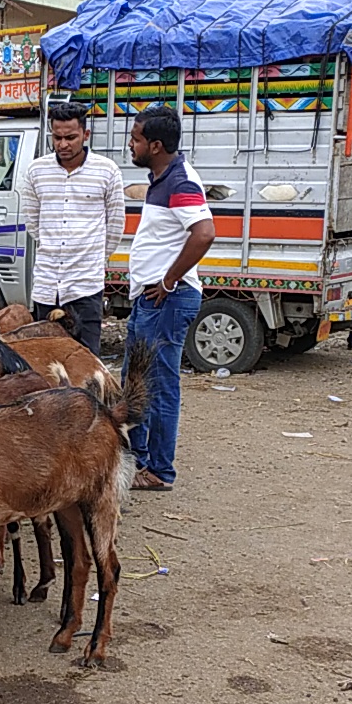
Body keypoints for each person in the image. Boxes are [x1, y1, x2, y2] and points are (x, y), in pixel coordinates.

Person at [122, 105, 212, 492]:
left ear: (155, 145)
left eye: (136, 138)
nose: (130, 143)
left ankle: (159, 469)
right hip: (152, 300)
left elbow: (204, 233)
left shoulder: (180, 183)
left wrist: (170, 281)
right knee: (138, 381)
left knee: (157, 386)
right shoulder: (163, 178)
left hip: (166, 302)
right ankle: (140, 461)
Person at [17, 100, 125, 354]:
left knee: (86, 361)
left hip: (85, 286)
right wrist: (54, 247)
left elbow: (115, 226)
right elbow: (33, 221)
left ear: (85, 135)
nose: (63, 144)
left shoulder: (107, 171)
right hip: (46, 286)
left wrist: (90, 257)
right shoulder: (36, 171)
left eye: (71, 137)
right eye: (57, 137)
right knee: (47, 361)